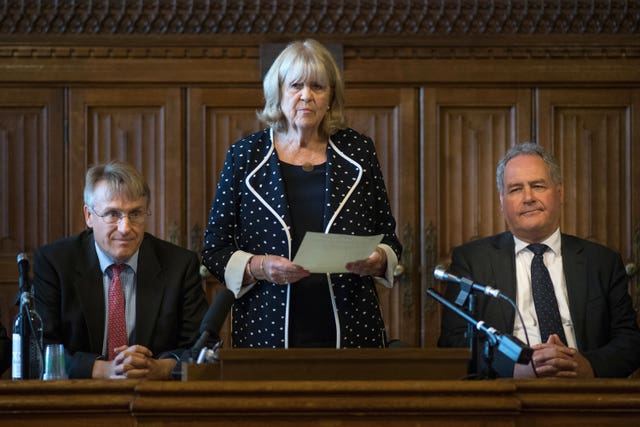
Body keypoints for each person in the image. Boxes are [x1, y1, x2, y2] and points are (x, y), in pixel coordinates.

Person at [202, 39, 402, 349]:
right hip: (265, 326)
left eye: (318, 86)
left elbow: (388, 238)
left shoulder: (359, 151)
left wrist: (378, 260)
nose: (306, 95)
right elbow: (214, 249)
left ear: (331, 96)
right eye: (295, 85)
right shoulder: (245, 156)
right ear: (278, 92)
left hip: (351, 324)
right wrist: (259, 267)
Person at [438, 142, 640, 378]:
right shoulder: (471, 260)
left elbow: (630, 341)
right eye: (515, 189)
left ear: (559, 193)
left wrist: (588, 366)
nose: (528, 197)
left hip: (584, 393)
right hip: (507, 394)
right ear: (502, 202)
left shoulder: (602, 261)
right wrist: (515, 367)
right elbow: (453, 341)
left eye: (537, 185)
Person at [33, 161, 208, 379]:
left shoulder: (179, 265)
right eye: (112, 214)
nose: (125, 228)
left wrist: (159, 367)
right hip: (78, 397)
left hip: (155, 398)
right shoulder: (54, 263)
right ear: (89, 216)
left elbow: (202, 347)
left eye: (135, 214)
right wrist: (101, 369)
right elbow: (38, 348)